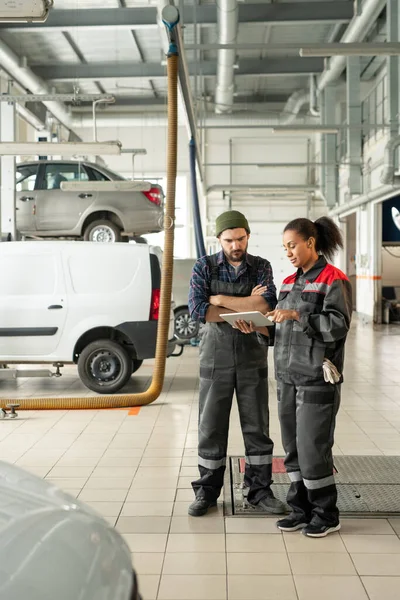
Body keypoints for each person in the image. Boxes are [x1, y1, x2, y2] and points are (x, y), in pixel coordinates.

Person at [235, 216, 352, 537]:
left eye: (292, 245)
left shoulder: (333, 279)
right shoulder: (288, 282)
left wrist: (298, 314)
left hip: (316, 376)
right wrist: (259, 328)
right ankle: (300, 509)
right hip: (287, 376)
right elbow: (282, 330)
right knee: (293, 448)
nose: (288, 252)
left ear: (310, 243)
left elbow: (338, 325)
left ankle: (326, 513)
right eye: (284, 247)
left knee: (314, 447)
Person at [187, 210, 286, 517]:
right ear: (219, 239)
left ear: (248, 236)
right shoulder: (203, 266)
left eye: (240, 238)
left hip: (251, 357)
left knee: (257, 426)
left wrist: (219, 299)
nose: (235, 245)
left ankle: (259, 492)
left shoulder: (261, 267)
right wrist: (240, 308)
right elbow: (198, 310)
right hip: (214, 359)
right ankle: (206, 492)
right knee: (210, 426)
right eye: (229, 240)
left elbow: (265, 303)